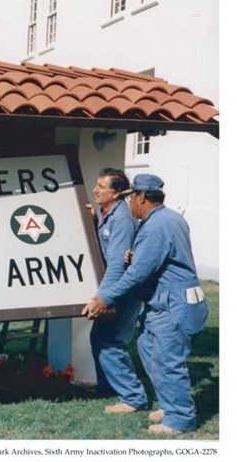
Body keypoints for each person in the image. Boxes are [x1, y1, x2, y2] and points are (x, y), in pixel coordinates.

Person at [83, 174, 208, 434]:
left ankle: (180, 420)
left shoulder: (154, 227)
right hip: (173, 301)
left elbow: (138, 273)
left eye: (130, 198)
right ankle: (170, 404)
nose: (129, 204)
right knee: (147, 347)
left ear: (141, 196)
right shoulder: (170, 218)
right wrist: (136, 255)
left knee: (166, 360)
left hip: (173, 305)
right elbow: (161, 256)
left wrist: (105, 297)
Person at [85, 168, 148, 414]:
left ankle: (133, 398)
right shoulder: (107, 213)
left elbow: (117, 264)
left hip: (123, 292)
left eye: (101, 187)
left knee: (110, 342)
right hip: (114, 289)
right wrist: (94, 220)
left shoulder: (121, 218)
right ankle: (107, 387)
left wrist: (103, 298)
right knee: (98, 338)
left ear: (116, 193)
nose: (95, 190)